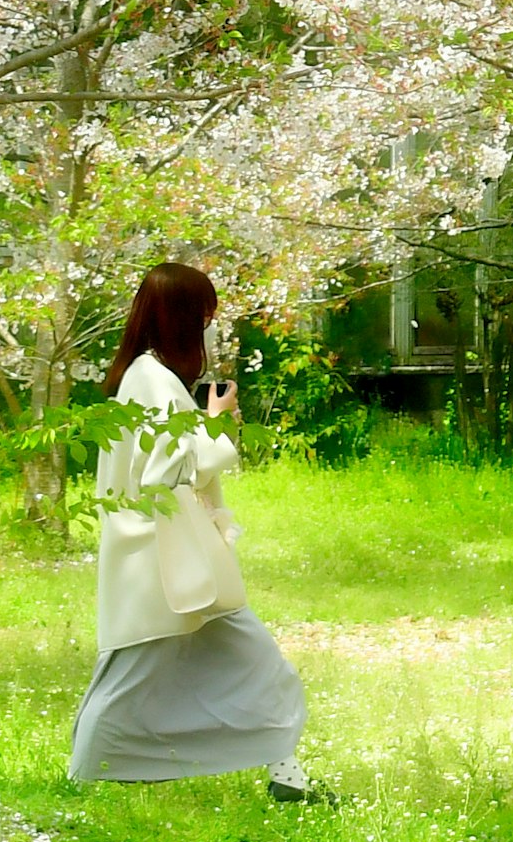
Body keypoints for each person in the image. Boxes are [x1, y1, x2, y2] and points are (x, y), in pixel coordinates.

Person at [68, 259, 323, 800]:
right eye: (204, 315)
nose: (208, 326)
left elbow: (165, 463)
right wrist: (217, 424)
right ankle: (82, 777)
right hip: (162, 553)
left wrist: (208, 425)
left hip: (163, 550)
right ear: (184, 317)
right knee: (132, 674)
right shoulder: (153, 380)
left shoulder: (144, 375)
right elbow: (168, 472)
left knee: (247, 662)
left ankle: (288, 779)